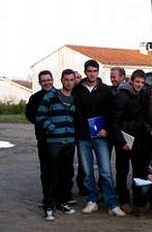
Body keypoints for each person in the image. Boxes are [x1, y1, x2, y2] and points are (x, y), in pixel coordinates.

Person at [73, 59, 125, 217]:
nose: (92, 74)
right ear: (85, 72)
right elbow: (76, 113)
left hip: (101, 137)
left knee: (105, 171)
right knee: (87, 172)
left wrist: (106, 129)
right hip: (83, 137)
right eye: (89, 71)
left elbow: (112, 113)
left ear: (97, 72)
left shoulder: (106, 90)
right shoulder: (78, 90)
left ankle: (112, 203)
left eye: (94, 71)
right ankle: (92, 200)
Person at [35, 69, 77, 220]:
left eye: (71, 79)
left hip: (70, 143)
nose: (69, 82)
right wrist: (52, 128)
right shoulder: (51, 96)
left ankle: (62, 202)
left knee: (65, 175)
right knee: (50, 175)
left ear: (74, 81)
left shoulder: (75, 98)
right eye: (66, 79)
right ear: (61, 80)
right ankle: (48, 207)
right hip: (53, 143)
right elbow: (40, 115)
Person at [110, 69, 146, 214]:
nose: (139, 85)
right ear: (131, 80)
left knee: (138, 169)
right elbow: (114, 122)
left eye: (142, 82)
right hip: (124, 139)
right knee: (122, 171)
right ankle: (123, 200)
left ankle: (137, 199)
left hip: (137, 138)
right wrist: (121, 141)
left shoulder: (141, 94)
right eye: (137, 81)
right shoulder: (121, 95)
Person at [26, 71, 61, 207]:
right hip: (44, 139)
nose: (47, 83)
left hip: (60, 139)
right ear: (40, 83)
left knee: (61, 169)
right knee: (46, 170)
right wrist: (45, 124)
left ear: (53, 80)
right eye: (44, 81)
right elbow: (30, 115)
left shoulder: (60, 95)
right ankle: (48, 197)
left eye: (49, 80)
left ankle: (60, 197)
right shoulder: (35, 98)